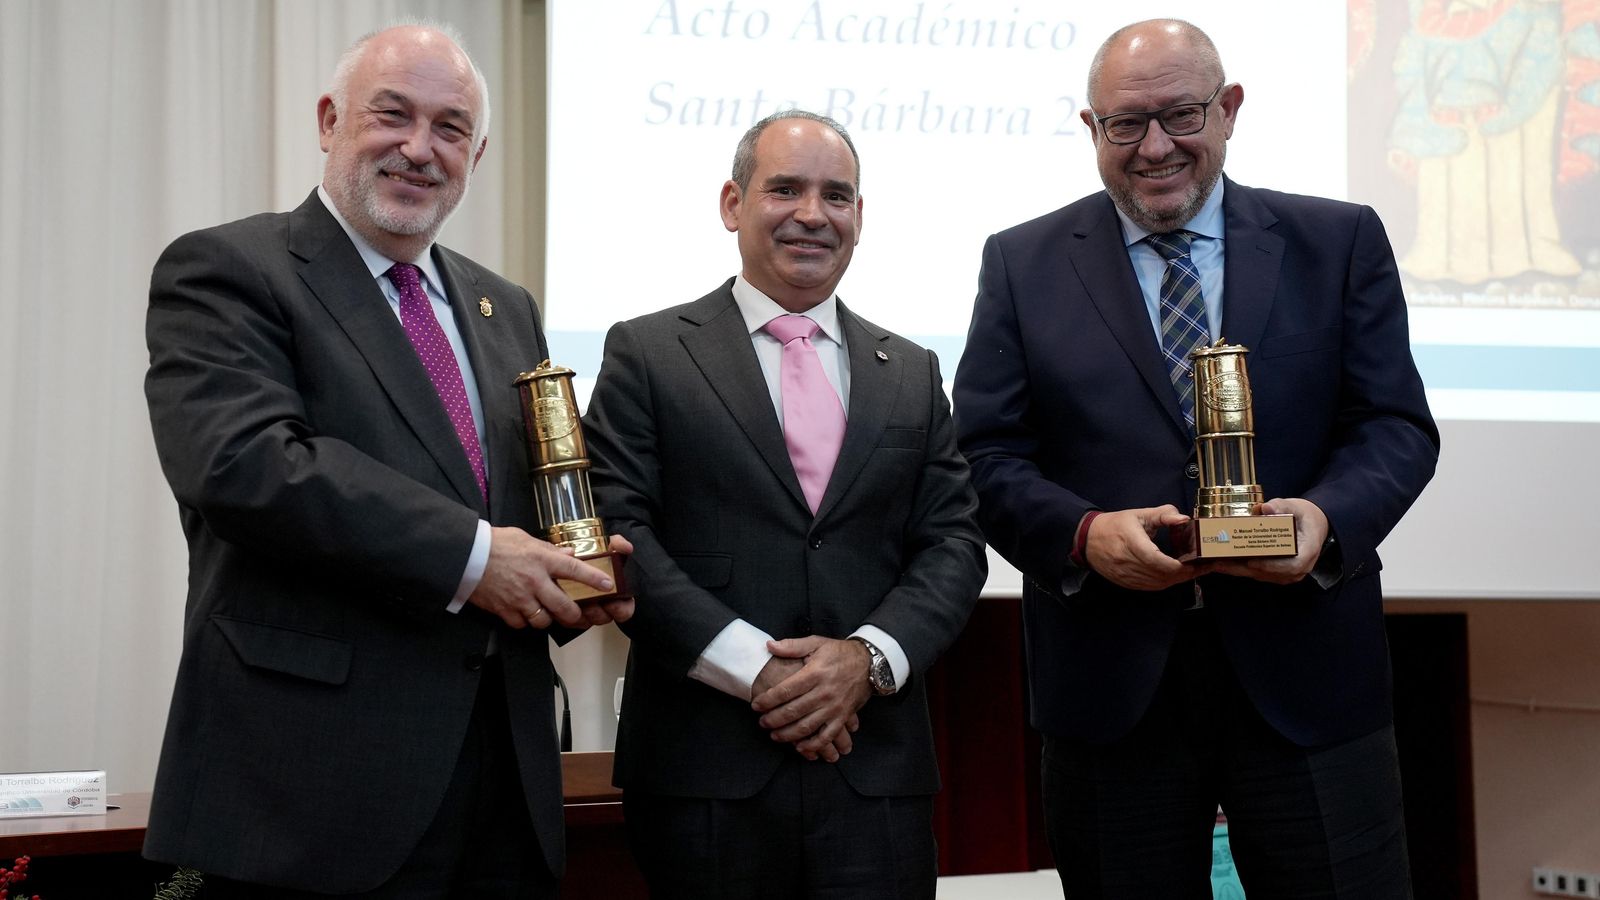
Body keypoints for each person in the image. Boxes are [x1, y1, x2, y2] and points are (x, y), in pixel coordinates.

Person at [952, 19, 1440, 900]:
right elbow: (983, 453)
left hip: (1309, 680)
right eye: (1123, 125)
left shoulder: (1338, 241)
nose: (1154, 147)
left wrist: (1325, 522)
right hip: (1112, 689)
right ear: (1091, 129)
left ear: (1229, 110)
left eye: (1179, 116)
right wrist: (1083, 535)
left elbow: (1395, 427)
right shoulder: (1022, 263)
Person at [142, 23, 631, 898]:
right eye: (392, 115)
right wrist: (480, 559)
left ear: (476, 156)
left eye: (450, 129)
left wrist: (570, 586)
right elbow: (247, 466)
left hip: (502, 796)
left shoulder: (502, 306)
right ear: (330, 120)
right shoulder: (229, 269)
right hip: (310, 795)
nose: (419, 148)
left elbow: (508, 513)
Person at [582, 110, 986, 899]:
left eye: (836, 195)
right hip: (704, 773)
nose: (812, 213)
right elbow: (617, 530)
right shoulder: (647, 351)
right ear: (733, 204)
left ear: (860, 218)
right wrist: (755, 672)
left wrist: (865, 660)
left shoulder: (910, 369)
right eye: (785, 189)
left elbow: (954, 546)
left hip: (874, 774)